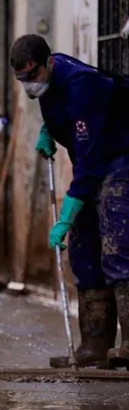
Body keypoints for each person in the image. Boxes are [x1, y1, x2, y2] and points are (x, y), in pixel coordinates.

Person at [9, 34, 129, 368]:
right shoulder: (48, 78)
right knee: (83, 250)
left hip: (119, 158)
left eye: (32, 76)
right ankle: (94, 342)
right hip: (91, 161)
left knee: (118, 247)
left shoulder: (81, 85)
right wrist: (51, 129)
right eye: (22, 80)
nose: (29, 85)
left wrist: (65, 216)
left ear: (47, 64)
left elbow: (89, 163)